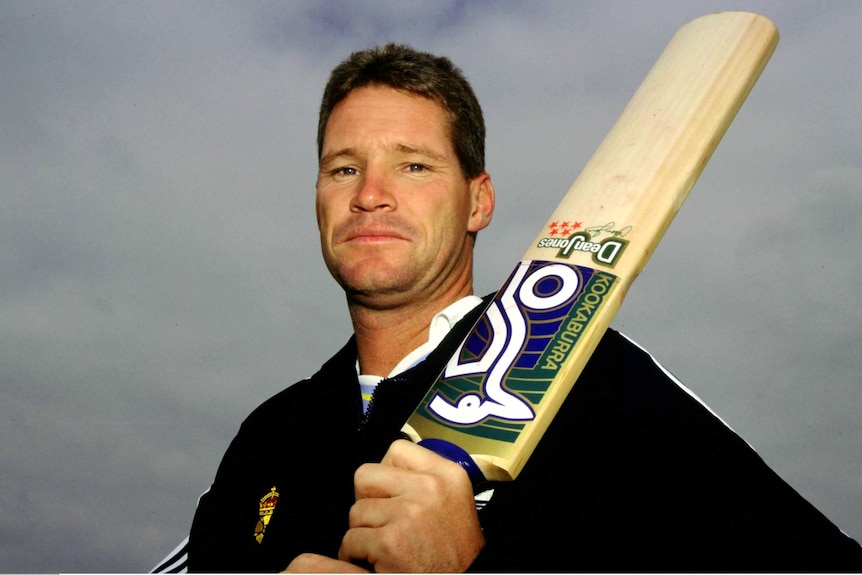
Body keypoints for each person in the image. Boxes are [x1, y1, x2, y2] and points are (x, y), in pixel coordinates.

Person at [153, 43, 862, 573]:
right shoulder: (272, 435)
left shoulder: (591, 379)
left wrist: (471, 567)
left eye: (413, 164)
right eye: (344, 167)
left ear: (479, 201)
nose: (370, 193)